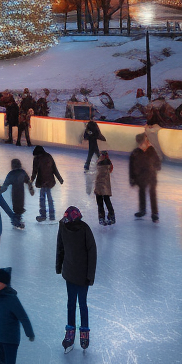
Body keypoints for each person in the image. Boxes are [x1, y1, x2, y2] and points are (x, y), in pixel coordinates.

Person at [56, 206, 96, 352]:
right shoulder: (66, 226)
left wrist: (90, 276)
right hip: (74, 272)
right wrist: (59, 267)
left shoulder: (82, 229)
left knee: (77, 303)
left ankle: (77, 333)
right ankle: (75, 333)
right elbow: (60, 246)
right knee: (75, 303)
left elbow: (92, 252)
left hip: (80, 274)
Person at [129, 132, 161, 222]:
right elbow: (131, 167)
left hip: (151, 175)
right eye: (143, 142)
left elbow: (157, 161)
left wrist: (157, 166)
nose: (146, 143)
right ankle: (142, 210)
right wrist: (132, 178)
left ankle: (154, 213)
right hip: (141, 177)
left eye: (146, 141)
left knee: (152, 193)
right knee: (142, 192)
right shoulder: (135, 153)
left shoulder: (151, 150)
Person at [31, 145, 64, 222]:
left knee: (42, 198)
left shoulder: (37, 159)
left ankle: (43, 215)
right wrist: (60, 179)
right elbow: (54, 169)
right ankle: (52, 215)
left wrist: (31, 180)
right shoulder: (49, 156)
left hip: (42, 181)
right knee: (49, 198)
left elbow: (34, 171)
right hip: (49, 181)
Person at [0, 158, 31, 230]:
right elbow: (28, 180)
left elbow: (5, 186)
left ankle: (17, 222)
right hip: (21, 193)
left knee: (16, 208)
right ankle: (18, 221)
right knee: (19, 207)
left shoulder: (11, 174)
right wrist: (30, 187)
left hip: (15, 193)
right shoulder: (22, 172)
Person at [94, 150, 115, 225]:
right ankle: (111, 216)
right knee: (107, 200)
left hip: (99, 186)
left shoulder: (99, 163)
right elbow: (110, 170)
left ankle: (101, 218)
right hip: (106, 186)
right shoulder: (109, 164)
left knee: (100, 203)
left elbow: (96, 172)